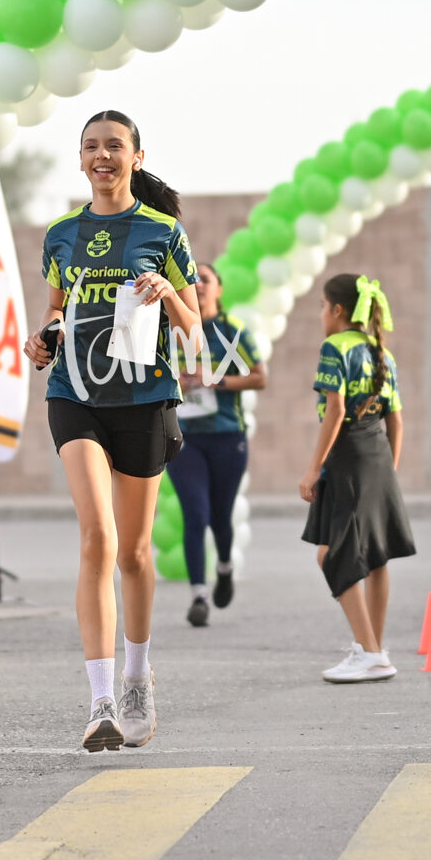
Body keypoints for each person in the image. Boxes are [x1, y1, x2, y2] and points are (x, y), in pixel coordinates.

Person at [25, 110, 200, 752]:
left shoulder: (163, 231)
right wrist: (42, 340)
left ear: (136, 157)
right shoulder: (61, 235)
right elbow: (55, 309)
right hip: (74, 393)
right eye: (91, 147)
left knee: (134, 552)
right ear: (80, 159)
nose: (102, 156)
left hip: (143, 397)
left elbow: (195, 330)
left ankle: (136, 678)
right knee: (97, 536)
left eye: (114, 146)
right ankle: (100, 700)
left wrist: (166, 293)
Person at [299, 273, 415, 684]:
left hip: (348, 455)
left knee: (330, 554)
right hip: (378, 455)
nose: (320, 315)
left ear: (337, 310)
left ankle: (370, 652)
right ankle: (374, 648)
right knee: (376, 555)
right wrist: (388, 470)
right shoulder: (381, 351)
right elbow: (396, 418)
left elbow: (335, 410)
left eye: (321, 307)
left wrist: (314, 468)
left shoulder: (335, 347)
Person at [166, 262, 266, 627]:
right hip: (184, 437)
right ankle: (199, 596)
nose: (198, 285)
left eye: (205, 279)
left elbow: (259, 377)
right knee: (195, 514)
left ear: (219, 290)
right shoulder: (170, 330)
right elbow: (148, 373)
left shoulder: (232, 330)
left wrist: (214, 381)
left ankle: (224, 567)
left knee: (221, 518)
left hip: (226, 436)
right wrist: (175, 381)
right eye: (192, 280)